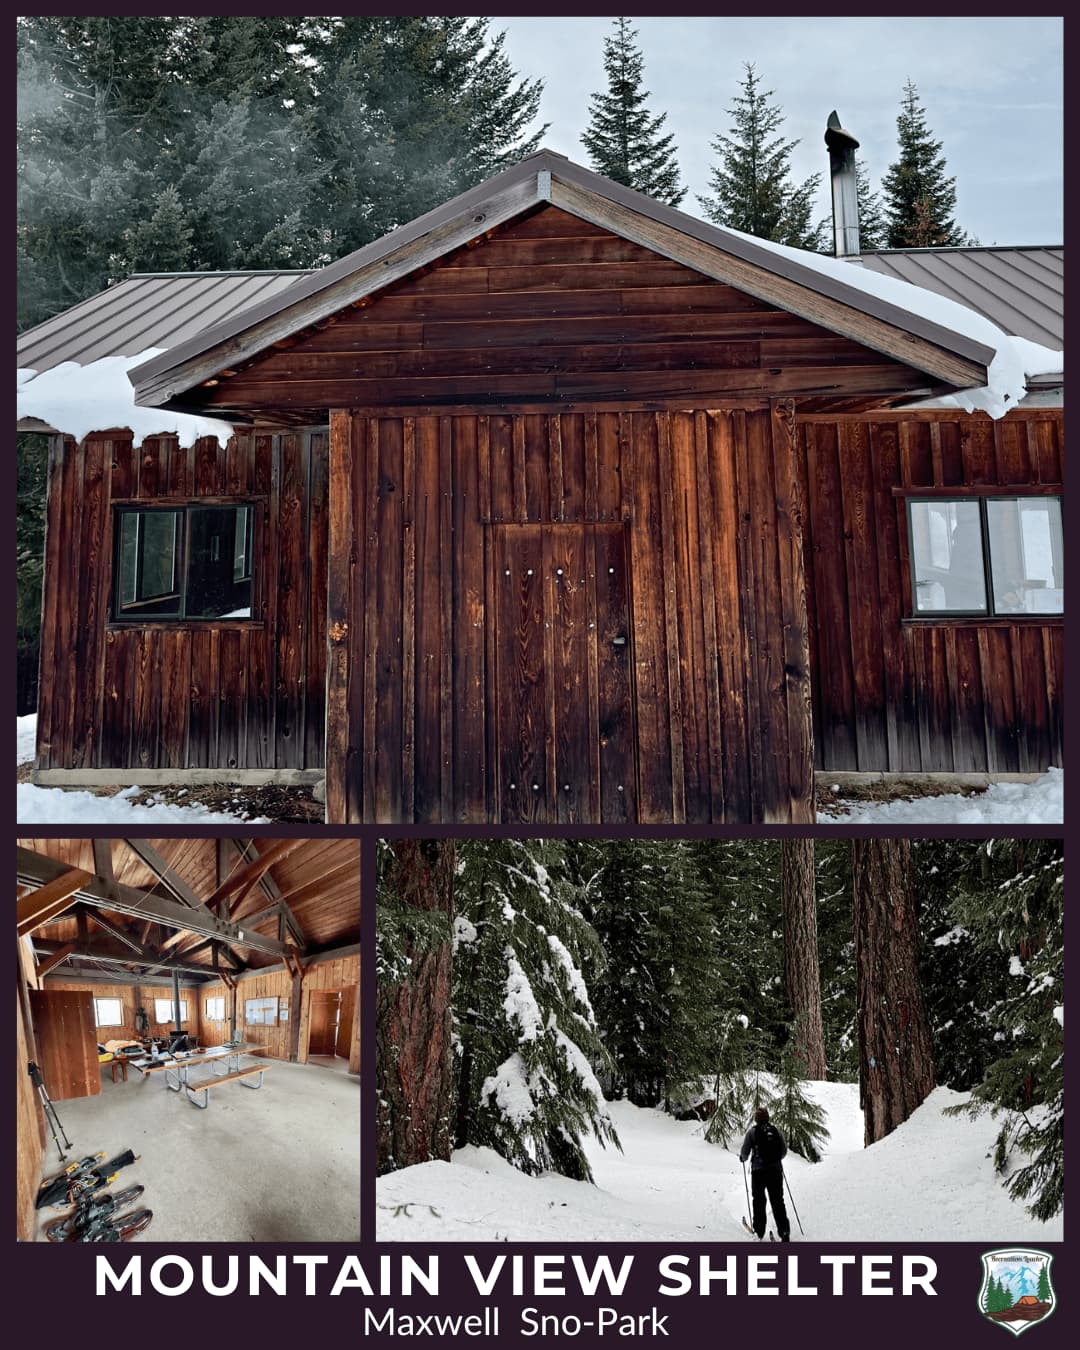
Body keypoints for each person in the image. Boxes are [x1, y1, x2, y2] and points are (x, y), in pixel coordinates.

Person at [739, 1106, 790, 1241]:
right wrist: (774, 1161)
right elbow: (783, 1151)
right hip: (776, 1171)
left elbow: (745, 1153)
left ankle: (759, 1231)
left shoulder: (752, 1132)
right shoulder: (776, 1131)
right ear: (768, 1118)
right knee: (778, 1201)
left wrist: (743, 1158)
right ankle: (784, 1231)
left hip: (758, 1172)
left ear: (756, 1119)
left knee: (759, 1201)